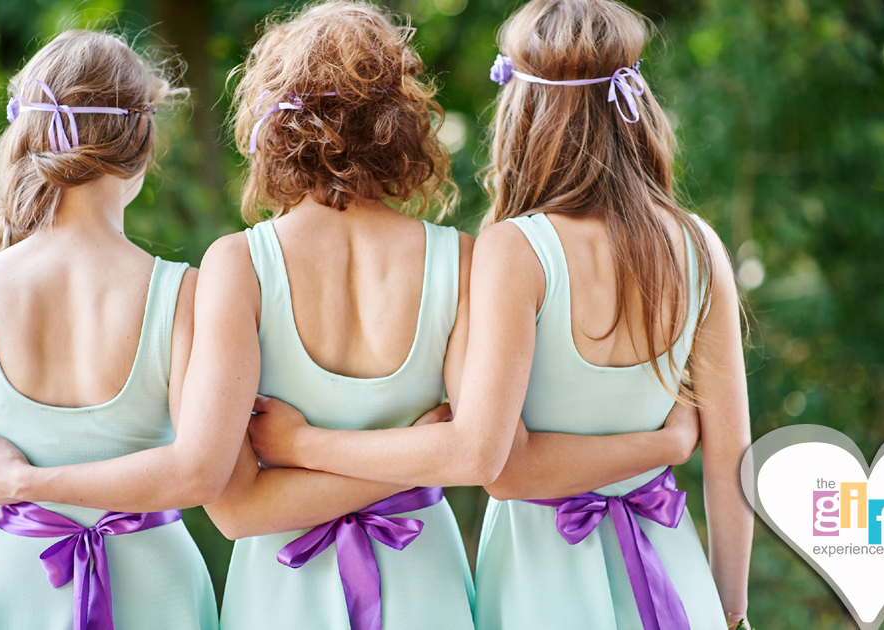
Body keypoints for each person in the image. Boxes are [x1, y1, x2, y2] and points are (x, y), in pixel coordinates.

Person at [247, 0, 754, 628]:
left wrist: (300, 443)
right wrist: (730, 605)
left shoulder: (517, 251)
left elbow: (505, 470)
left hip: (544, 583)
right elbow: (733, 458)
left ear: (526, 110)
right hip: (676, 578)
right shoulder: (700, 246)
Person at [0, 3, 475, 629]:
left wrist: (300, 447)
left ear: (275, 121)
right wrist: (420, 459)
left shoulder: (240, 265)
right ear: (399, 119)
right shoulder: (462, 261)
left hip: (282, 588)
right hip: (424, 578)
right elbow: (468, 453)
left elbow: (238, 511)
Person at [0, 30, 217, 630]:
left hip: (17, 588)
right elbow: (195, 471)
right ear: (142, 142)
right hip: (157, 589)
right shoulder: (185, 295)